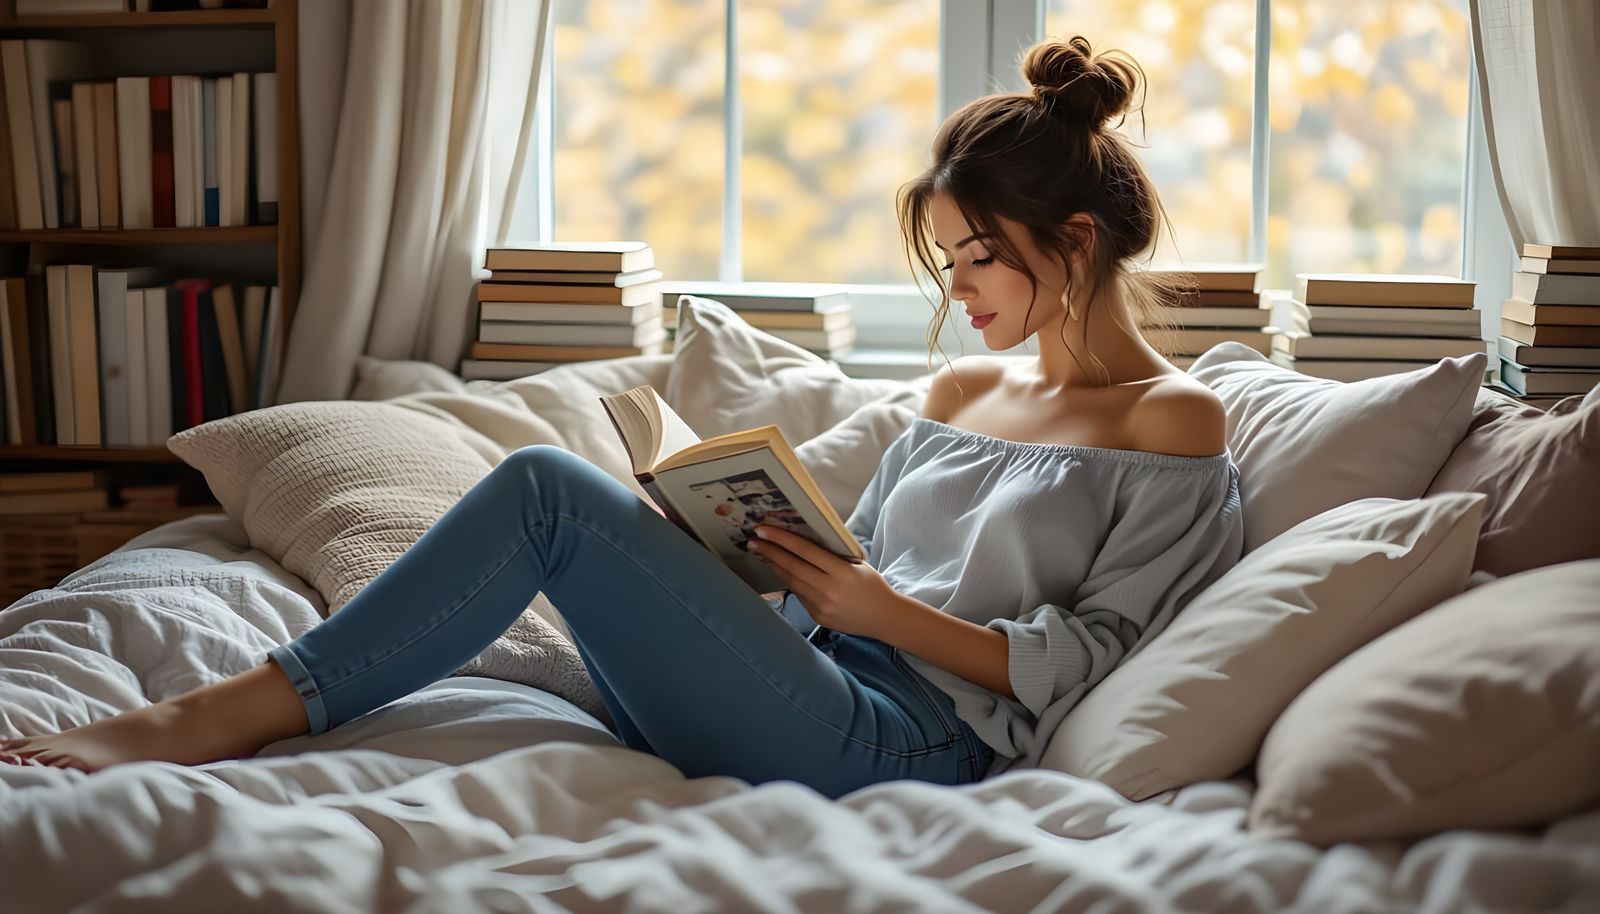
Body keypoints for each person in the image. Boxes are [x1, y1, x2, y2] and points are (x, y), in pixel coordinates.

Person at [0, 36, 1243, 799]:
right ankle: (246, 700)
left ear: (1071, 242)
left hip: (904, 739)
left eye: (978, 259)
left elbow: (1096, 653)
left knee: (543, 488)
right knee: (575, 500)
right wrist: (734, 544)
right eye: (947, 264)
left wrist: (878, 612)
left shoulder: (1175, 422)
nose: (957, 292)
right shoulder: (967, 390)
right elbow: (847, 554)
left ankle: (207, 717)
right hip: (804, 670)